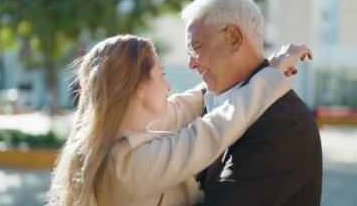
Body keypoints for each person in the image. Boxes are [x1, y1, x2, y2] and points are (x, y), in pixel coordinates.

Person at [47, 34, 311, 206]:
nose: (168, 85)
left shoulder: (110, 144)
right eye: (161, 75)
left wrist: (229, 80)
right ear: (138, 87)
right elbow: (213, 131)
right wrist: (270, 74)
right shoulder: (129, 164)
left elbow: (179, 109)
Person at [180, 0, 322, 205]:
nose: (190, 64)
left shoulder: (281, 122)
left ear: (234, 38)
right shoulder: (218, 104)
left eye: (195, 47)